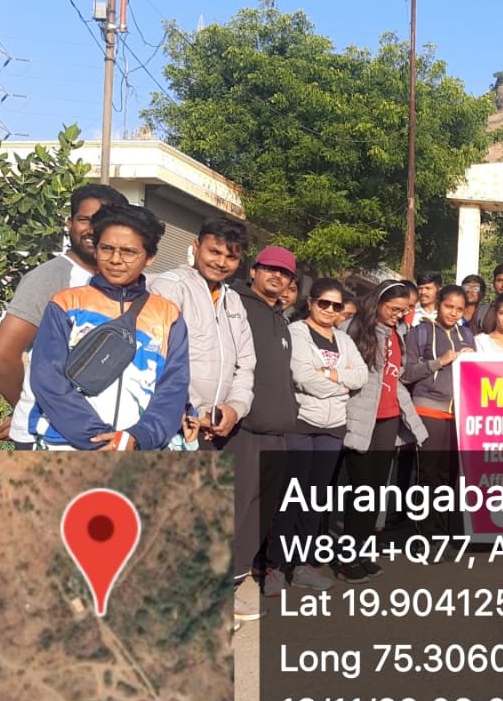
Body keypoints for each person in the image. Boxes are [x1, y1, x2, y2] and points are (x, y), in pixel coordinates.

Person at [28, 204, 189, 452]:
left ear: (150, 257)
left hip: (138, 450)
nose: (115, 259)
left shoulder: (169, 316)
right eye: (107, 249)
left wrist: (138, 437)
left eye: (128, 252)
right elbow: (47, 378)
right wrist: (96, 436)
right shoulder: (66, 303)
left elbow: (173, 388)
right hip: (66, 447)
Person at [0, 183, 128, 448]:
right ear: (69, 223)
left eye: (102, 221)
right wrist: (28, 407)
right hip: (51, 441)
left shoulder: (122, 284)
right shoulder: (51, 278)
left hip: (101, 435)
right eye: (84, 219)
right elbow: (1, 356)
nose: (91, 229)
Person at [226, 245, 301, 619]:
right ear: (253, 270)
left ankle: (232, 588)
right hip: (243, 431)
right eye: (269, 269)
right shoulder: (235, 306)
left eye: (284, 273)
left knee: (258, 516)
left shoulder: (280, 318)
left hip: (277, 434)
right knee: (233, 513)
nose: (277, 276)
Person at [285, 278, 367, 591]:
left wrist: (331, 375)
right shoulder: (297, 333)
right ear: (311, 302)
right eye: (324, 303)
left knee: (315, 499)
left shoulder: (344, 340)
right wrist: (340, 383)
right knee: (291, 494)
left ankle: (304, 565)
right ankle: (278, 563)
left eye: (336, 305)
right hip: (302, 421)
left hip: (333, 427)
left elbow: (359, 376)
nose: (330, 310)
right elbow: (304, 378)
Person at [343, 281, 428, 578]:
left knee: (375, 491)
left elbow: (397, 379)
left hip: (388, 420)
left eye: (404, 310)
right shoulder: (354, 329)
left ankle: (362, 550)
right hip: (362, 418)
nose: (399, 314)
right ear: (378, 302)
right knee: (360, 489)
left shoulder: (397, 333)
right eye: (394, 308)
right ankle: (347, 557)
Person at [149, 217, 256, 446]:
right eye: (214, 252)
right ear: (196, 247)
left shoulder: (234, 300)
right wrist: (196, 412)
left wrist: (235, 408)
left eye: (231, 257)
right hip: (173, 424)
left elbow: (246, 363)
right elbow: (159, 357)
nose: (220, 262)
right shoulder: (170, 287)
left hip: (217, 428)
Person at [404, 284, 475, 535]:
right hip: (427, 410)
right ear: (439, 304)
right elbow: (406, 372)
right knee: (427, 473)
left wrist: (471, 359)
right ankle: (424, 532)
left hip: (457, 415)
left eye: (459, 309)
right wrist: (439, 362)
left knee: (448, 474)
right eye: (448, 306)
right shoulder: (420, 332)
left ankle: (442, 530)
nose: (453, 312)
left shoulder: (467, 336)